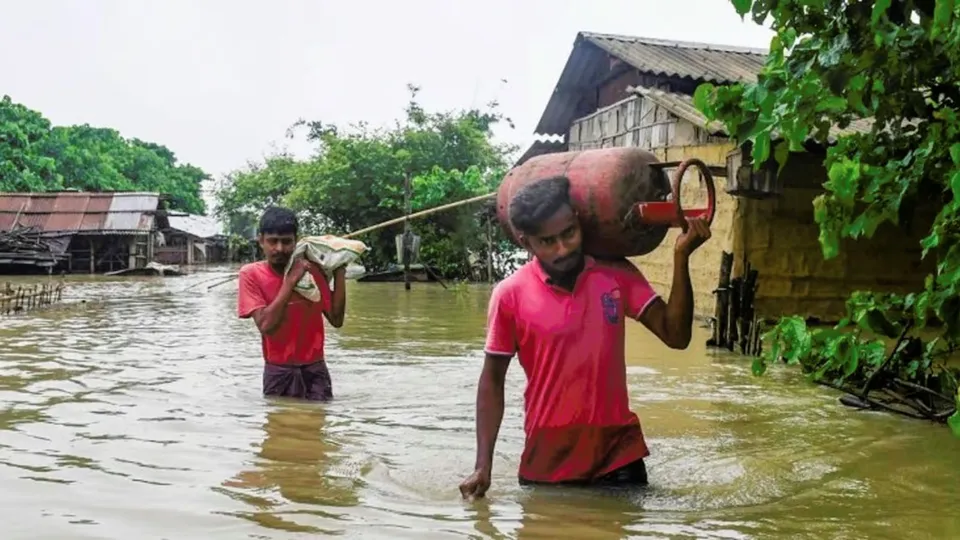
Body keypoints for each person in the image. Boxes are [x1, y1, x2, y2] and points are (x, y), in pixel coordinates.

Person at [459, 175, 710, 498]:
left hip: (619, 456)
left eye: (569, 233)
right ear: (526, 242)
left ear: (578, 221)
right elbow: (492, 382)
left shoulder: (616, 274)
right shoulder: (510, 295)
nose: (563, 248)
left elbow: (676, 336)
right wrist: (483, 465)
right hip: (547, 461)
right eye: (548, 241)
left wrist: (681, 258)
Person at [237, 206, 347, 401]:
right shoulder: (250, 274)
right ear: (261, 241)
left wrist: (339, 269)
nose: (279, 249)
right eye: (272, 241)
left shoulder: (312, 270)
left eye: (287, 242)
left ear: (297, 242)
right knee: (280, 429)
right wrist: (290, 283)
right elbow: (265, 325)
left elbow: (336, 319)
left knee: (317, 429)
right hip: (278, 372)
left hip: (315, 370)